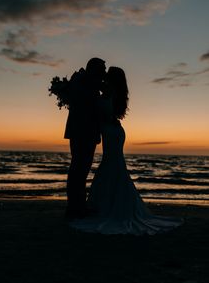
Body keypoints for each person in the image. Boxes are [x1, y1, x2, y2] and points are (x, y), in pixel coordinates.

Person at [70, 66, 183, 234]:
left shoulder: (107, 90)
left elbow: (103, 111)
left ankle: (108, 207)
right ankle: (109, 204)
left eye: (108, 74)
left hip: (110, 130)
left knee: (111, 163)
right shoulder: (115, 91)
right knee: (114, 164)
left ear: (112, 78)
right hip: (115, 131)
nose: (105, 75)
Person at [64, 57, 106, 219]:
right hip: (82, 131)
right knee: (78, 169)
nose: (104, 72)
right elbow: (88, 106)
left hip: (83, 131)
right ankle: (75, 207)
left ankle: (77, 206)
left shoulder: (86, 81)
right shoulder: (84, 82)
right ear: (94, 69)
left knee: (80, 170)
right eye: (102, 69)